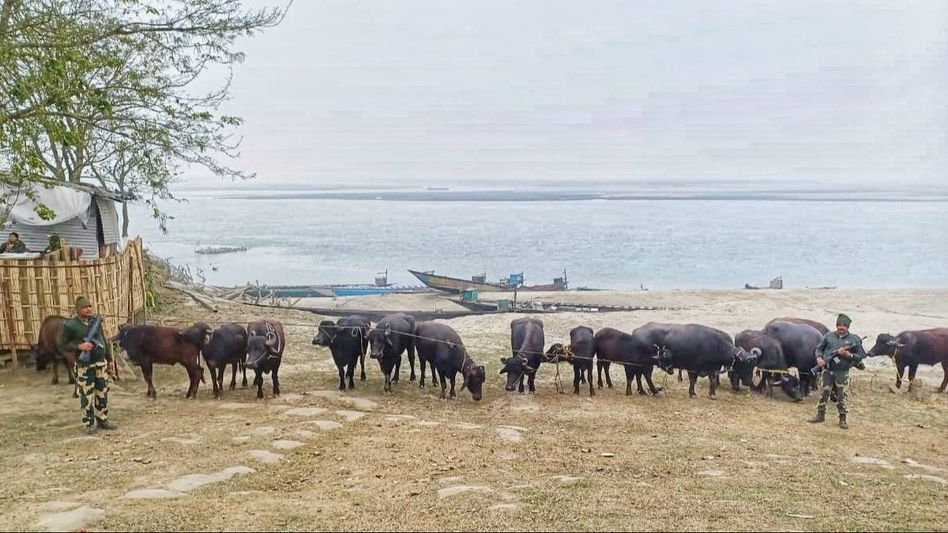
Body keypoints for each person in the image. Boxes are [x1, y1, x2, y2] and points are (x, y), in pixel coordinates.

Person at [58, 296, 117, 435]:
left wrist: (109, 360)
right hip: (85, 365)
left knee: (102, 392)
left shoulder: (95, 322)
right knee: (87, 394)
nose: (89, 309)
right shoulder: (70, 325)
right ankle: (89, 423)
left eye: (90, 306)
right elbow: (62, 345)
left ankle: (103, 419)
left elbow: (103, 340)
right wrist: (80, 346)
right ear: (78, 310)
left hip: (100, 363)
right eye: (85, 307)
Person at [809, 313, 866, 429]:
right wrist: (819, 358)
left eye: (844, 326)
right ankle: (820, 415)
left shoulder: (854, 339)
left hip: (842, 372)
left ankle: (843, 419)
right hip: (827, 370)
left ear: (848, 327)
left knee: (841, 396)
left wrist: (848, 355)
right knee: (823, 394)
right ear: (836, 325)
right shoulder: (828, 336)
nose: (841, 328)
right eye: (839, 325)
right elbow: (819, 348)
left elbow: (861, 355)